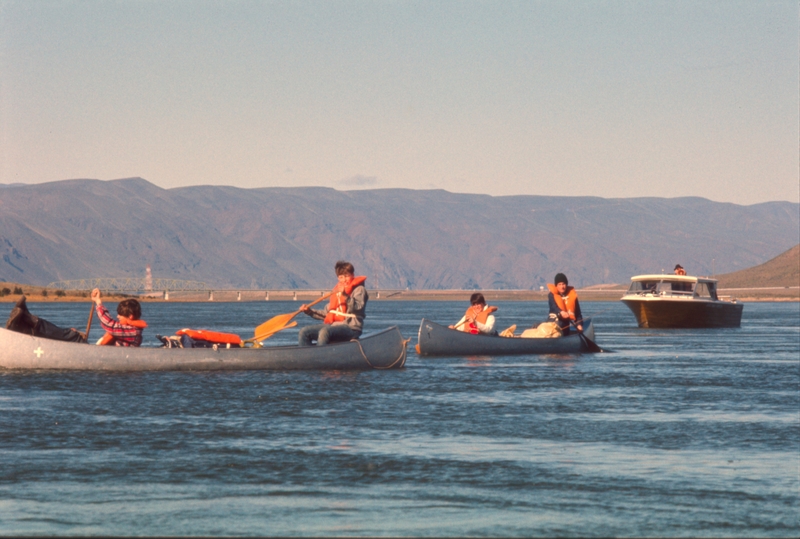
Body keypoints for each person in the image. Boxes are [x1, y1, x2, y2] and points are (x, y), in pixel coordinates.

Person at [298, 261, 368, 346]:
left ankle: (321, 356)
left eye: (347, 276)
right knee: (304, 332)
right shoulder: (336, 292)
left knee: (324, 332)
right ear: (338, 278)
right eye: (341, 277)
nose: (344, 280)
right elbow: (327, 314)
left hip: (351, 328)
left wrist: (345, 295)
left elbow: (357, 307)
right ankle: (307, 356)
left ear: (352, 275)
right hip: (334, 326)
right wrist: (309, 311)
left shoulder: (359, 289)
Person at [5, 296, 87, 343]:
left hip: (84, 348)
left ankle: (25, 320)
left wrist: (97, 301)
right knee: (68, 333)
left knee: (71, 335)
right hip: (84, 346)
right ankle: (24, 323)